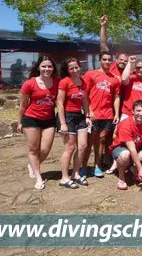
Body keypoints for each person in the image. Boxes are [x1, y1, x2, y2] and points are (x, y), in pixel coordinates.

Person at [18, 56, 59, 190]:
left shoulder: (58, 81)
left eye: (50, 66)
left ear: (53, 68)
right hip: (31, 119)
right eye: (44, 66)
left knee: (45, 149)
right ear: (38, 67)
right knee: (33, 149)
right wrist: (19, 122)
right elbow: (23, 105)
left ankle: (32, 164)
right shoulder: (30, 83)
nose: (47, 69)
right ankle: (38, 177)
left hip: (49, 119)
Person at [83, 51, 121, 178]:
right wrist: (89, 111)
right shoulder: (90, 74)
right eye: (104, 59)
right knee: (89, 142)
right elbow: (85, 94)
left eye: (109, 60)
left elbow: (116, 97)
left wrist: (116, 113)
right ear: (100, 61)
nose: (107, 62)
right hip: (93, 115)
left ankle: (97, 166)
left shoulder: (114, 79)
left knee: (102, 141)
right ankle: (83, 166)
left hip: (107, 115)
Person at [56, 58, 92, 189]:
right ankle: (64, 177)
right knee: (70, 148)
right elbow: (59, 103)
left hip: (79, 116)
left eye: (76, 67)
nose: (75, 70)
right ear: (68, 70)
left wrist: (87, 115)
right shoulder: (64, 82)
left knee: (83, 146)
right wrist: (63, 123)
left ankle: (75, 173)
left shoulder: (83, 81)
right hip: (67, 116)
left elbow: (85, 101)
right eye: (71, 68)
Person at [110, 100, 142, 190]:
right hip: (121, 148)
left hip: (137, 148)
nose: (141, 114)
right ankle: (122, 178)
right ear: (132, 112)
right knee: (125, 155)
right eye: (138, 111)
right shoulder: (126, 124)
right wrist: (140, 168)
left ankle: (132, 169)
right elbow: (131, 149)